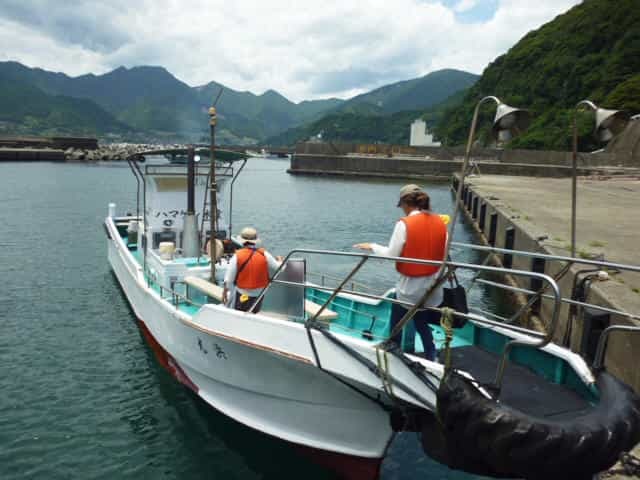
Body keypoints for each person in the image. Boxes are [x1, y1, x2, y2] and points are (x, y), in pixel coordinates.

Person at [354, 184, 447, 360]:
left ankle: (393, 344)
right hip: (434, 287)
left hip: (411, 287)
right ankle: (430, 352)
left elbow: (391, 255)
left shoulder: (404, 224)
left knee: (398, 304)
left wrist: (372, 246)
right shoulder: (440, 223)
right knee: (419, 314)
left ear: (405, 203)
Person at [222, 227, 282, 313]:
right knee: (254, 313)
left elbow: (228, 280)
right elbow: (280, 268)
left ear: (242, 240)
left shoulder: (237, 256)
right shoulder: (264, 253)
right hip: (259, 294)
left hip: (243, 294)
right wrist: (280, 260)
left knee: (240, 315)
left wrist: (224, 293)